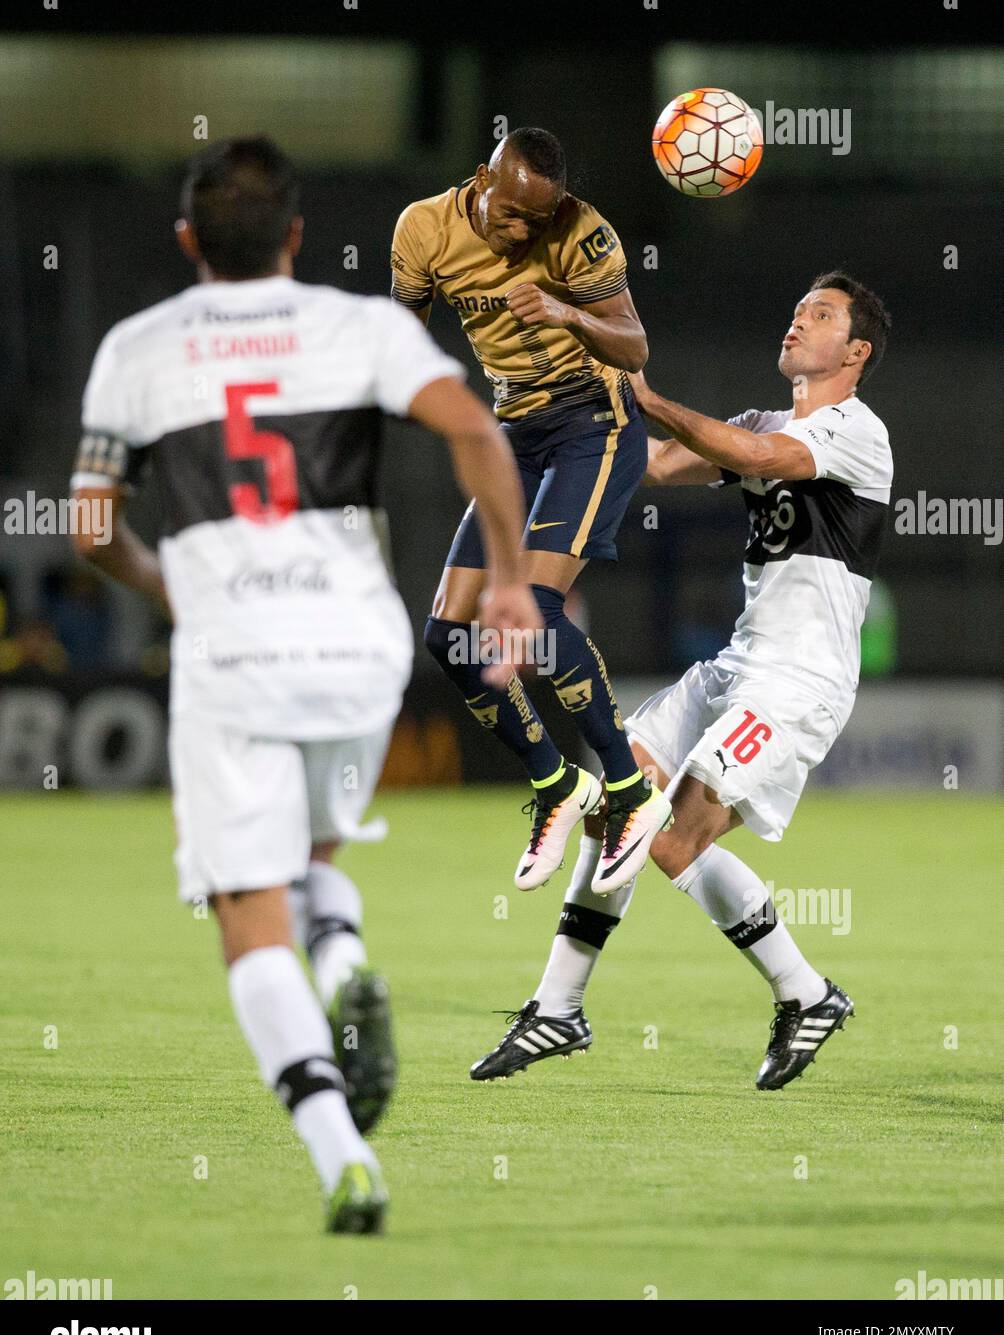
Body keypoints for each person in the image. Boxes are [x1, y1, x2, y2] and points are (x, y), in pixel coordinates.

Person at [71, 135, 539, 1233]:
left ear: (189, 239)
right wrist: (509, 582)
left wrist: (169, 585)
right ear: (294, 235)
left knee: (247, 912)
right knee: (314, 865)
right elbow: (476, 429)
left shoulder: (136, 348)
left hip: (236, 652)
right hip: (357, 646)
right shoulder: (363, 325)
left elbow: (92, 525)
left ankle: (344, 1158)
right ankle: (347, 964)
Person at [470, 272, 893, 1091]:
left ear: (858, 350)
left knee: (670, 839)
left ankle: (805, 992)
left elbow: (756, 457)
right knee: (620, 810)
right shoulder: (762, 420)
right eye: (798, 306)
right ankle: (559, 1008)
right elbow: (659, 470)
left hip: (797, 682)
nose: (797, 321)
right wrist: (585, 417)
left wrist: (647, 395)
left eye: (822, 314)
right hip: (737, 665)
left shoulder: (856, 431)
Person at [392, 127, 671, 895]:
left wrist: (568, 314)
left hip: (594, 425)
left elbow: (635, 346)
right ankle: (555, 786)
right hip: (512, 432)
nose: (523, 232)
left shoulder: (581, 233)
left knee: (537, 611)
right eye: (512, 214)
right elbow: (400, 340)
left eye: (535, 221)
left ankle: (629, 791)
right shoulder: (423, 229)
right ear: (483, 178)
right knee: (449, 634)